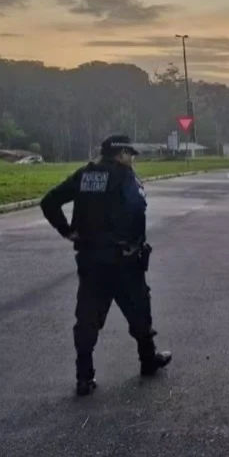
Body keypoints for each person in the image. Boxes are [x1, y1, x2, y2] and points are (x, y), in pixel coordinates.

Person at [40, 135, 171, 396]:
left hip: (90, 259)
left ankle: (84, 376)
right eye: (129, 154)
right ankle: (147, 360)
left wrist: (67, 230)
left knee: (87, 316)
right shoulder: (124, 176)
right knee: (138, 308)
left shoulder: (84, 175)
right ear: (120, 154)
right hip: (123, 259)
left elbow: (49, 202)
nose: (132, 159)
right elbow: (138, 206)